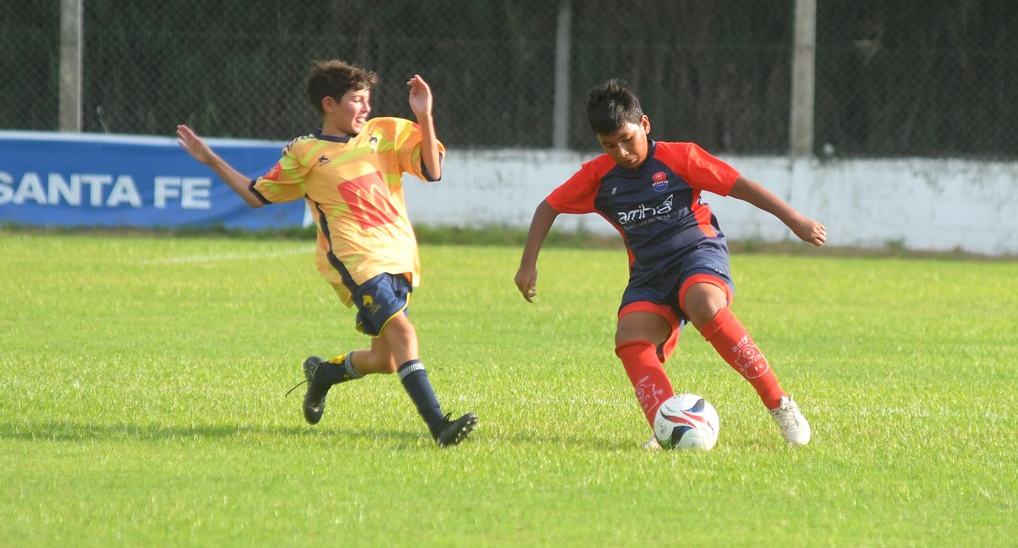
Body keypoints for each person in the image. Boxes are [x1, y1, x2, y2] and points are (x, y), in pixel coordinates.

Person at [176, 59, 477, 447]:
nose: (366, 107)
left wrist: (425, 115)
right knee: (404, 333)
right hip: (356, 260)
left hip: (398, 256)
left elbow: (432, 171)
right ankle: (438, 425)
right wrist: (211, 159)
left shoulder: (384, 133)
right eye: (357, 100)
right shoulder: (305, 152)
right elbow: (255, 195)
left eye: (368, 99)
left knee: (386, 359)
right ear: (329, 104)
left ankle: (323, 375)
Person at [513, 79, 826, 449]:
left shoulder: (680, 158)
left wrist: (795, 220)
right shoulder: (598, 177)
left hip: (698, 254)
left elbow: (740, 185)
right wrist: (527, 265)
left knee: (705, 306)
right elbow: (548, 207)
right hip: (648, 274)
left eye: (627, 139)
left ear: (644, 125)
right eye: (609, 145)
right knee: (629, 338)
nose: (622, 152)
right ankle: (666, 427)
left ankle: (780, 404)